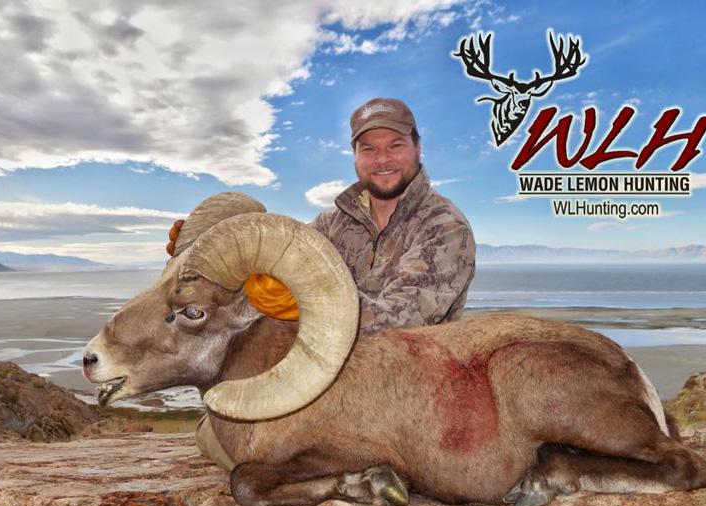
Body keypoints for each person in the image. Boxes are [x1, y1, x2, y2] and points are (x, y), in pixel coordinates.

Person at [170, 98, 476, 470]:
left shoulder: (444, 227)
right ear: (355, 155)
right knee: (217, 429)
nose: (382, 160)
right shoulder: (334, 224)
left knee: (240, 444)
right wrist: (206, 257)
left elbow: (405, 319)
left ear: (417, 147)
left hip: (410, 388)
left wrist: (309, 300)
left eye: (395, 146)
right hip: (332, 379)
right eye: (369, 149)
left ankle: (337, 472)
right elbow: (275, 267)